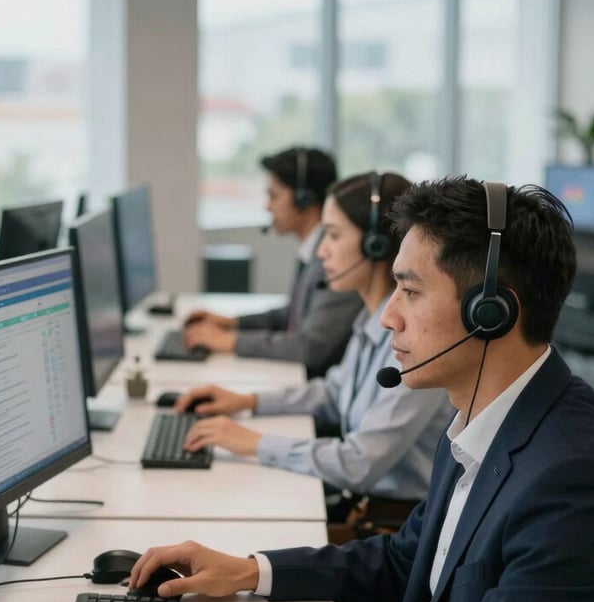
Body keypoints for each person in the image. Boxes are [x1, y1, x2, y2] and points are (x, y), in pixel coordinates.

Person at [114, 177, 594, 602]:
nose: (387, 317)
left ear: (492, 312)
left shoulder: (575, 482)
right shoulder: (485, 418)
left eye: (409, 291)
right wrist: (251, 571)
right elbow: (407, 561)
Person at [175, 171, 453, 503]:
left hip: (391, 520)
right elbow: (334, 393)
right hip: (362, 505)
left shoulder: (416, 343)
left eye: (333, 236)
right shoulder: (369, 316)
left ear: (374, 244)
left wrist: (254, 443)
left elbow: (358, 463)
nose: (321, 253)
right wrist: (249, 402)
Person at [183, 146, 361, 378]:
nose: (267, 207)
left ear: (303, 198)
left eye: (274, 196)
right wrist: (232, 322)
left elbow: (309, 346)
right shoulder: (311, 249)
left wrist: (231, 341)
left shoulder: (336, 259)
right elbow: (293, 314)